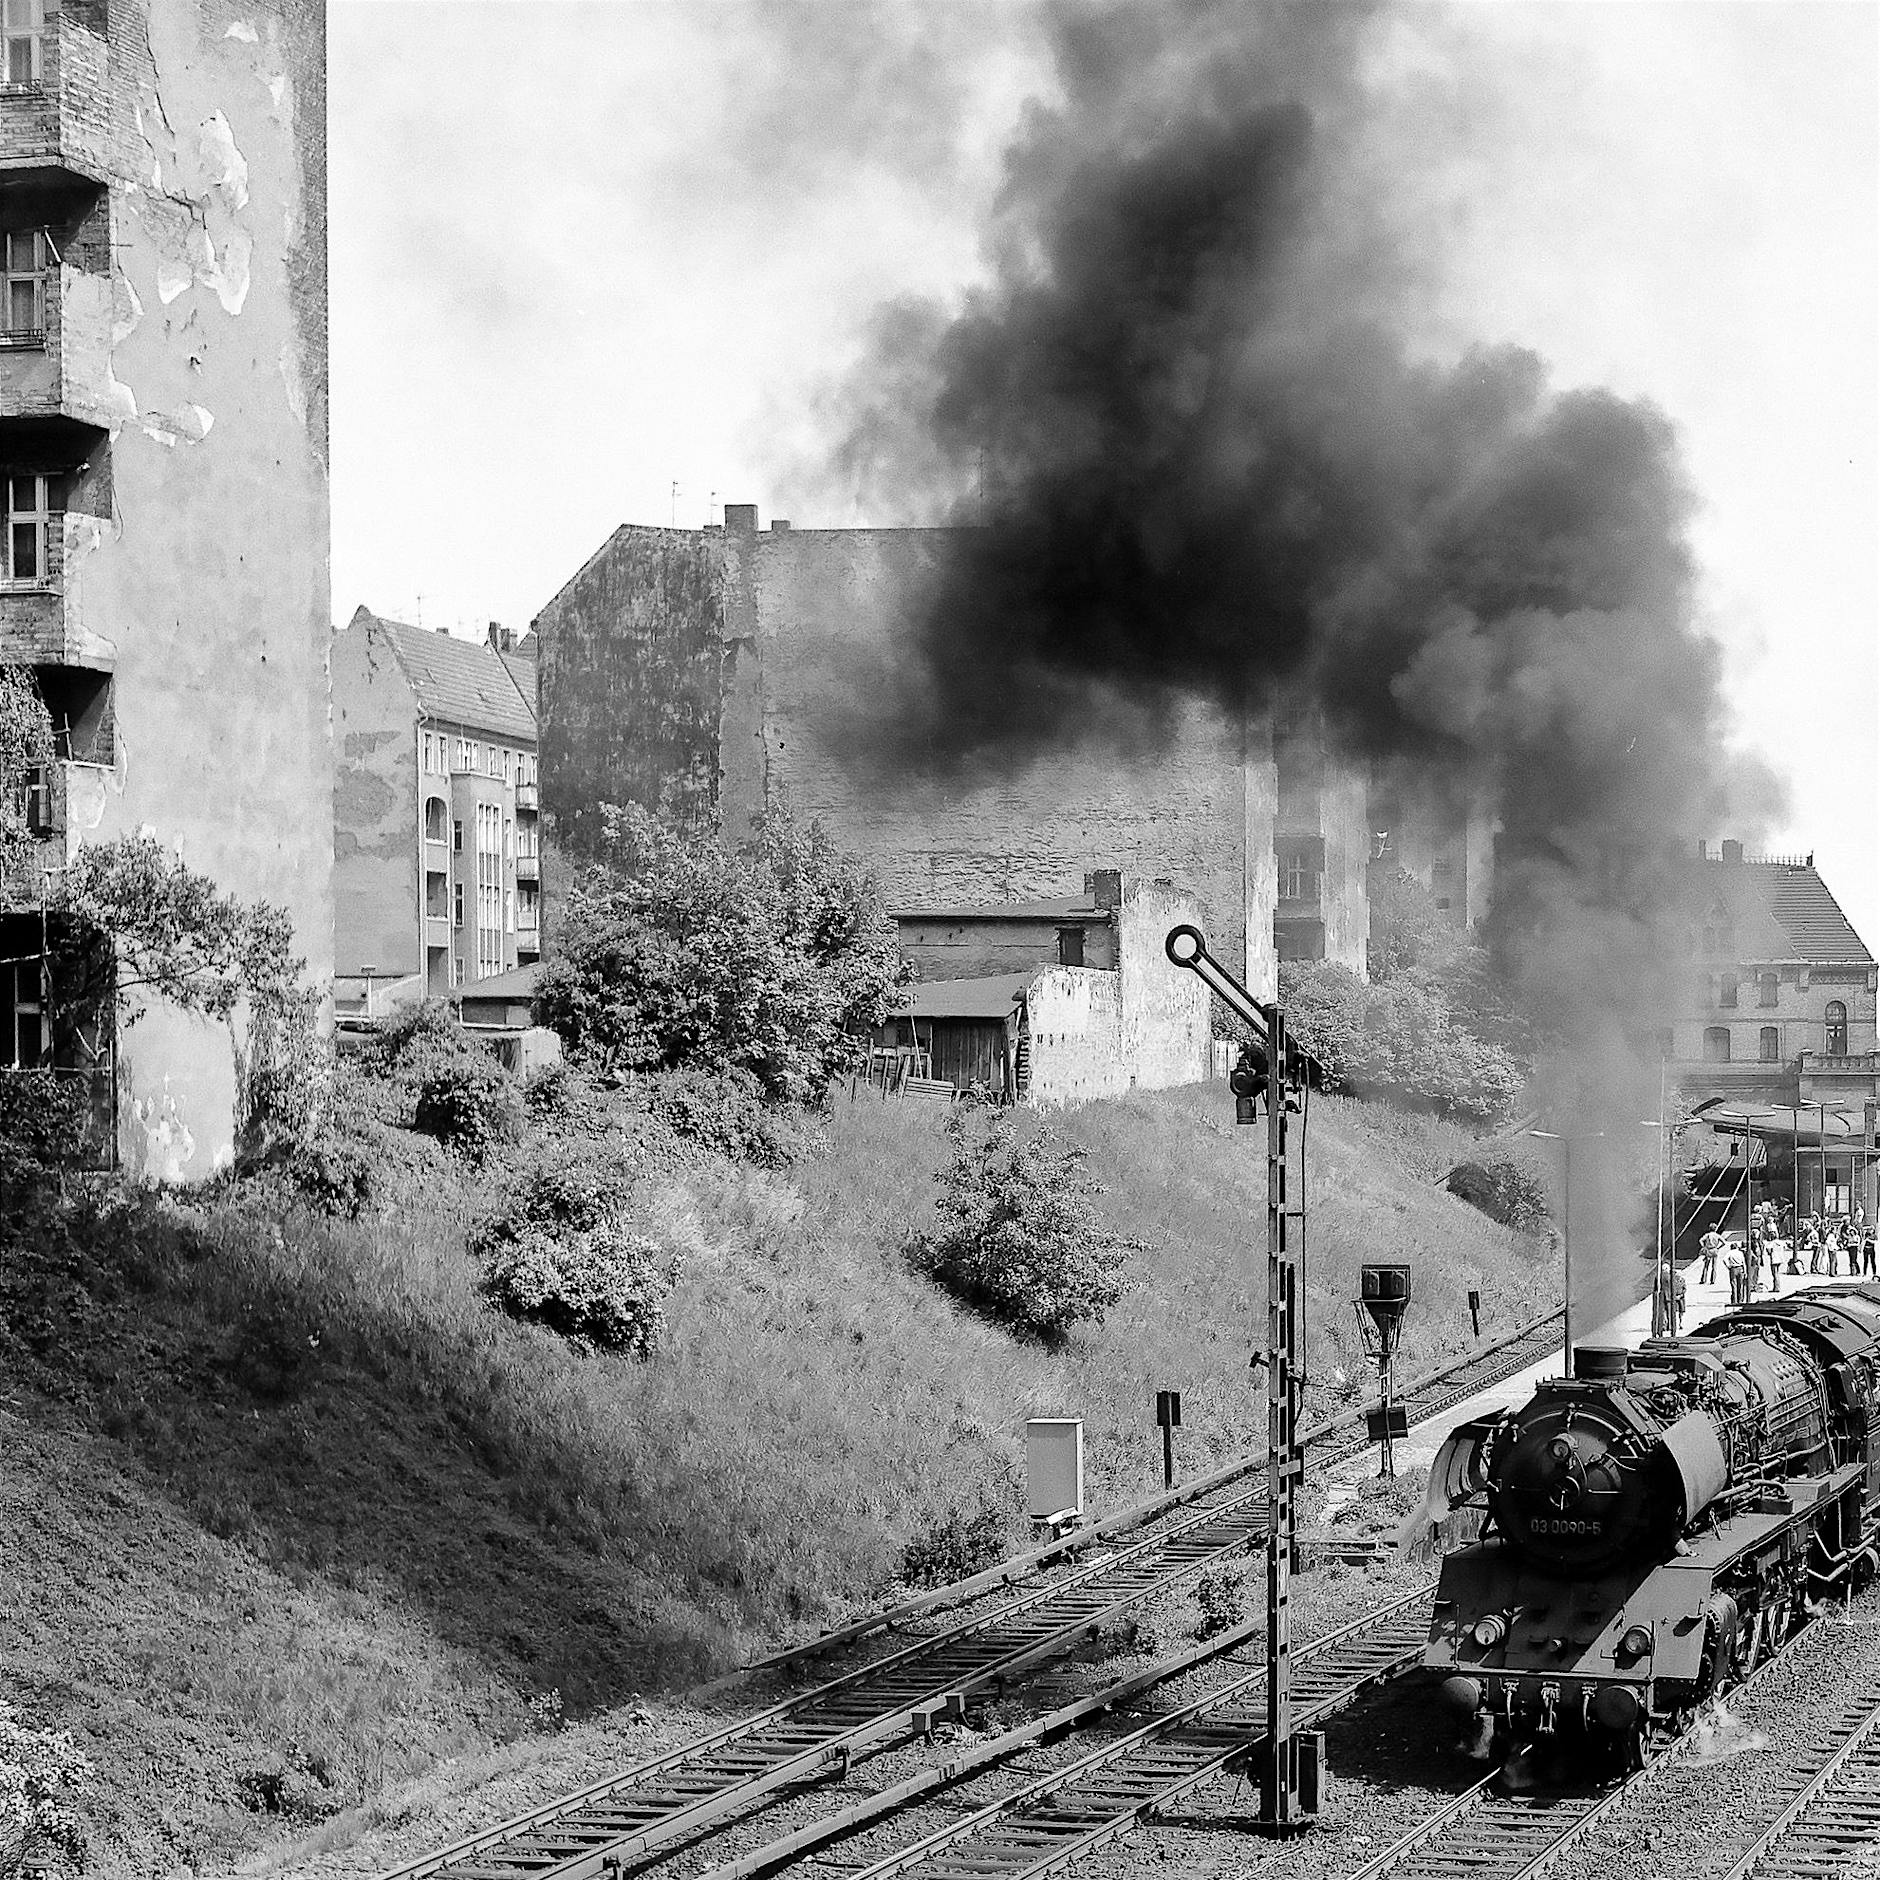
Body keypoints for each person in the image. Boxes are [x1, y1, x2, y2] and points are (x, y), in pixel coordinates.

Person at [1723, 1235, 1747, 1306]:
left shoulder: (1730, 1252)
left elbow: (1724, 1259)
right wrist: (1745, 1271)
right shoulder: (1740, 1253)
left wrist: (1728, 1266)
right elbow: (1744, 1262)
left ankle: (1734, 1300)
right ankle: (1740, 1300)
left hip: (1733, 1269)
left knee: (1734, 1285)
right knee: (1740, 1285)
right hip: (1740, 1268)